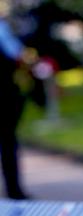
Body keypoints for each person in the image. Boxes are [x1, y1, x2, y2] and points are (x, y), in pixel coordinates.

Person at [0, 16, 29, 199]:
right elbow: (17, 55)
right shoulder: (1, 29)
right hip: (3, 93)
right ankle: (14, 191)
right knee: (7, 141)